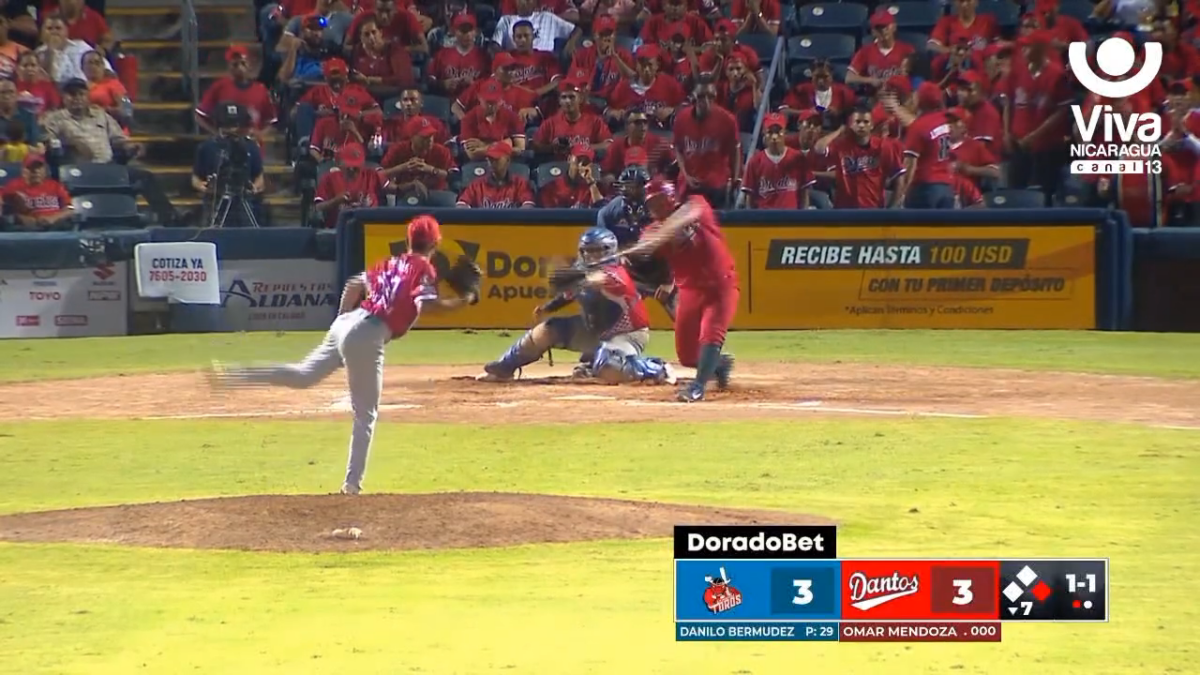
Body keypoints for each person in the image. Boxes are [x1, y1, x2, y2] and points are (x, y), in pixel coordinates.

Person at [211, 215, 477, 495]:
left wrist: (340, 323)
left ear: (409, 240)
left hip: (349, 322)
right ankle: (351, 486)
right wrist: (464, 301)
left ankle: (232, 375)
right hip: (367, 333)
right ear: (435, 242)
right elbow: (430, 306)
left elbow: (353, 285)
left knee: (303, 375)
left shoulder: (390, 262)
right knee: (366, 415)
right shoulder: (424, 268)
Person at [475, 227, 674, 386]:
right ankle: (504, 367)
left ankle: (657, 368)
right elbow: (569, 294)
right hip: (594, 330)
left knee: (609, 367)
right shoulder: (582, 271)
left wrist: (579, 279)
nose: (593, 256)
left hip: (627, 333)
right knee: (549, 329)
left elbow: (598, 280)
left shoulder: (615, 274)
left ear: (609, 251)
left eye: (598, 251)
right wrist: (548, 308)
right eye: (589, 252)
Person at [621, 181, 736, 402]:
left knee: (711, 334)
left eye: (656, 200)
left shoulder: (696, 204)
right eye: (649, 203)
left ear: (669, 198)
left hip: (721, 285)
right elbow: (647, 244)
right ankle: (719, 363)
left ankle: (698, 387)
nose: (652, 207)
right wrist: (632, 252)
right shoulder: (652, 230)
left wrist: (662, 235)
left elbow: (683, 218)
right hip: (689, 291)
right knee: (687, 356)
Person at [741, 113, 814, 209]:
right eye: (770, 132)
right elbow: (749, 199)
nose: (774, 137)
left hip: (791, 218)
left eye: (778, 132)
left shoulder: (798, 158)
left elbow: (804, 193)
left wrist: (804, 219)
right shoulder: (755, 161)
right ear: (764, 134)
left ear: (785, 133)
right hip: (765, 219)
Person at [314, 142, 388, 228]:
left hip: (370, 229)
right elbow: (318, 207)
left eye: (356, 167)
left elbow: (395, 189)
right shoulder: (329, 179)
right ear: (340, 163)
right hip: (339, 230)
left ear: (362, 163)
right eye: (348, 166)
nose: (352, 169)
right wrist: (336, 201)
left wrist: (404, 169)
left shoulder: (371, 175)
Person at [2, 153, 73, 230]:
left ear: (45, 169)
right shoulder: (14, 185)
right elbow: (4, 206)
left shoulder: (55, 186)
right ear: (24, 170)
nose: (36, 171)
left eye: (39, 167)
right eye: (31, 168)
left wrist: (53, 218)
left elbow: (70, 209)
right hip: (29, 227)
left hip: (55, 224)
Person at [538, 144, 603, 207]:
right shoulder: (552, 188)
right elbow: (548, 215)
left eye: (586, 162)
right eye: (578, 159)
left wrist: (591, 183)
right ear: (569, 159)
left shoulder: (592, 189)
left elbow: (601, 210)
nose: (580, 164)